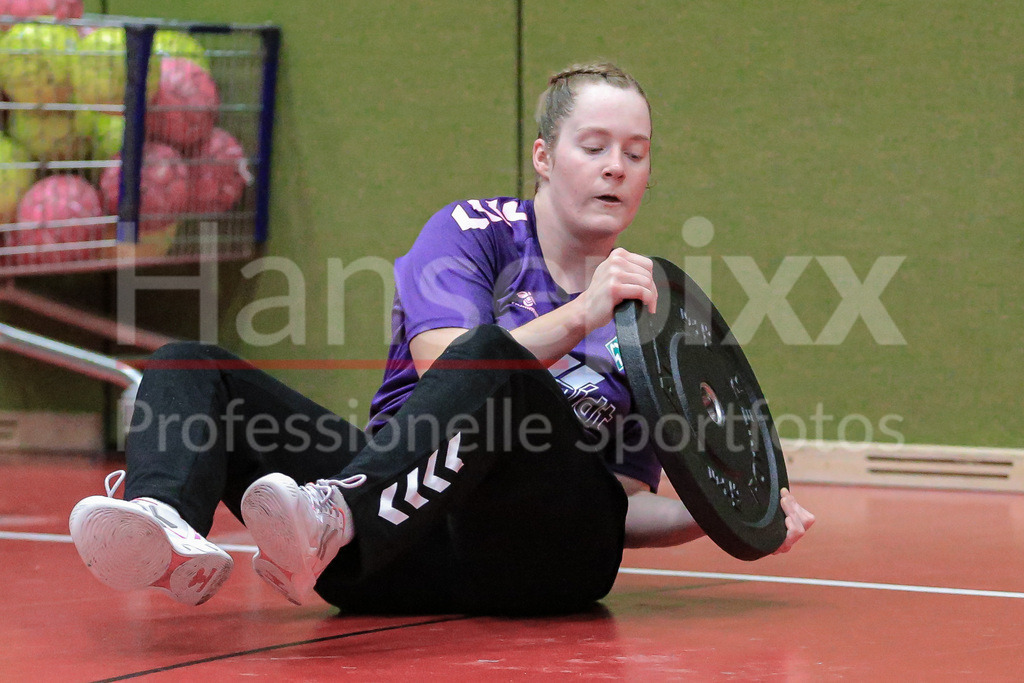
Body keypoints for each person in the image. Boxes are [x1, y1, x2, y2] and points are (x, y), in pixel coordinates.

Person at [69, 63, 814, 615]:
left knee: (505, 368)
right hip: (395, 542)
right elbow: (443, 361)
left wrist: (724, 511)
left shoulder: (646, 314)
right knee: (189, 363)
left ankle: (333, 517)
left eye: (636, 152)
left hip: (543, 563)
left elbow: (616, 504)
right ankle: (164, 524)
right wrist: (580, 313)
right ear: (545, 157)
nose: (617, 165)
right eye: (594, 146)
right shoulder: (471, 234)